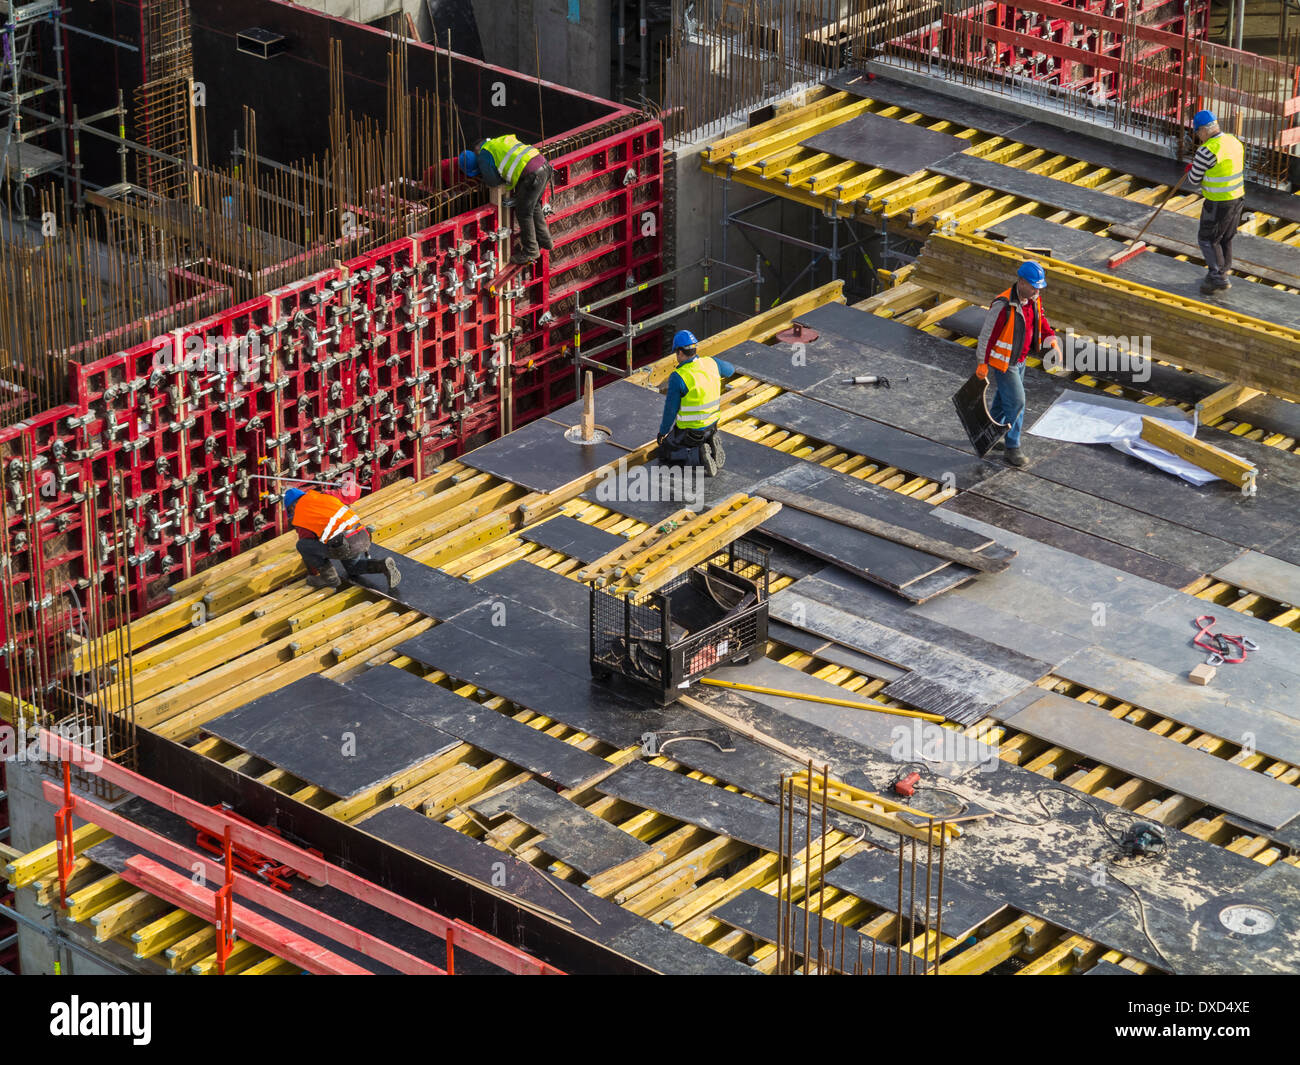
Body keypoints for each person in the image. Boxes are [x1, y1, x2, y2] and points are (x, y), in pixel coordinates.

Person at [974, 260, 1062, 468]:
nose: (1036, 290)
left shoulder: (1034, 300)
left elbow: (1042, 322)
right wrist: (982, 362)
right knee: (1017, 401)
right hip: (1005, 363)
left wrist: (1052, 341)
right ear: (1021, 282)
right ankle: (1012, 447)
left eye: (1038, 287)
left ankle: (989, 434)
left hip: (1021, 360)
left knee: (1003, 400)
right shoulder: (1003, 305)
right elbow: (986, 335)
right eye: (1033, 286)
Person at [283, 486, 400, 591]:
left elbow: (308, 542)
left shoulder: (299, 515)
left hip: (343, 545)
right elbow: (355, 490)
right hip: (362, 536)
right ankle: (383, 565)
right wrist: (345, 483)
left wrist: (314, 571)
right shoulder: (325, 495)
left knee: (302, 545)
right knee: (353, 568)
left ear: (292, 507)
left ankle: (330, 579)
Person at [458, 135, 553, 264]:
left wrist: (486, 174)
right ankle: (545, 241)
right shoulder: (498, 142)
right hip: (544, 166)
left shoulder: (484, 154)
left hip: (532, 175)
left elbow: (493, 181)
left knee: (524, 213)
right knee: (534, 206)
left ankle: (531, 251)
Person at [656, 330, 732, 475]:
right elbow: (730, 370)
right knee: (702, 436)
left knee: (666, 453)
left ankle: (700, 458)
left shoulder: (679, 376)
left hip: (690, 432)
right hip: (712, 424)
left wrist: (663, 432)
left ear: (679, 352)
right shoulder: (711, 363)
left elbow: (670, 410)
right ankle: (710, 441)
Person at [1186, 109, 1245, 296]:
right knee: (1225, 237)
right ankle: (1221, 271)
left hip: (1218, 203)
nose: (1199, 137)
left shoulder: (1207, 150)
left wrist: (1192, 169)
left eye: (1198, 133)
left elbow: (1194, 180)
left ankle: (1218, 277)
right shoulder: (1233, 141)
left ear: (1203, 130)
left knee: (1207, 239)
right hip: (1238, 199)